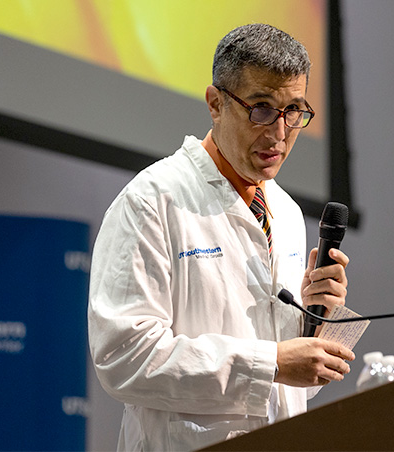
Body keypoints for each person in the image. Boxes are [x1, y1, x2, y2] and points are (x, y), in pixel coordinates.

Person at [88, 23, 354, 452]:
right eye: (262, 108)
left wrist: (315, 318)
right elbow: (123, 358)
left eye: (294, 111)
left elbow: (290, 389)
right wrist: (272, 363)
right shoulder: (151, 201)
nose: (280, 133)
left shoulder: (283, 210)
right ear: (215, 104)